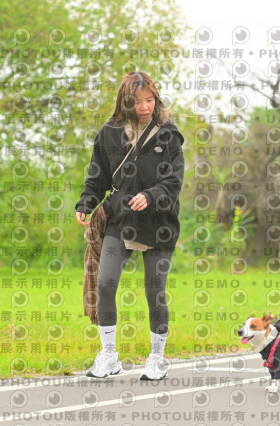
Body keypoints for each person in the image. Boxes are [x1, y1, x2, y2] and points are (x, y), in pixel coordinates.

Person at [75, 71, 185, 380]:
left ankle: (157, 358)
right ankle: (109, 356)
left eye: (150, 100)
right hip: (120, 217)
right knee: (105, 284)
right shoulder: (109, 133)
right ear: (125, 102)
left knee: (154, 290)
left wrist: (150, 196)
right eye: (137, 102)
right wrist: (86, 203)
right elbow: (97, 175)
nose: (145, 107)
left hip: (159, 222)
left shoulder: (168, 134)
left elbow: (173, 181)